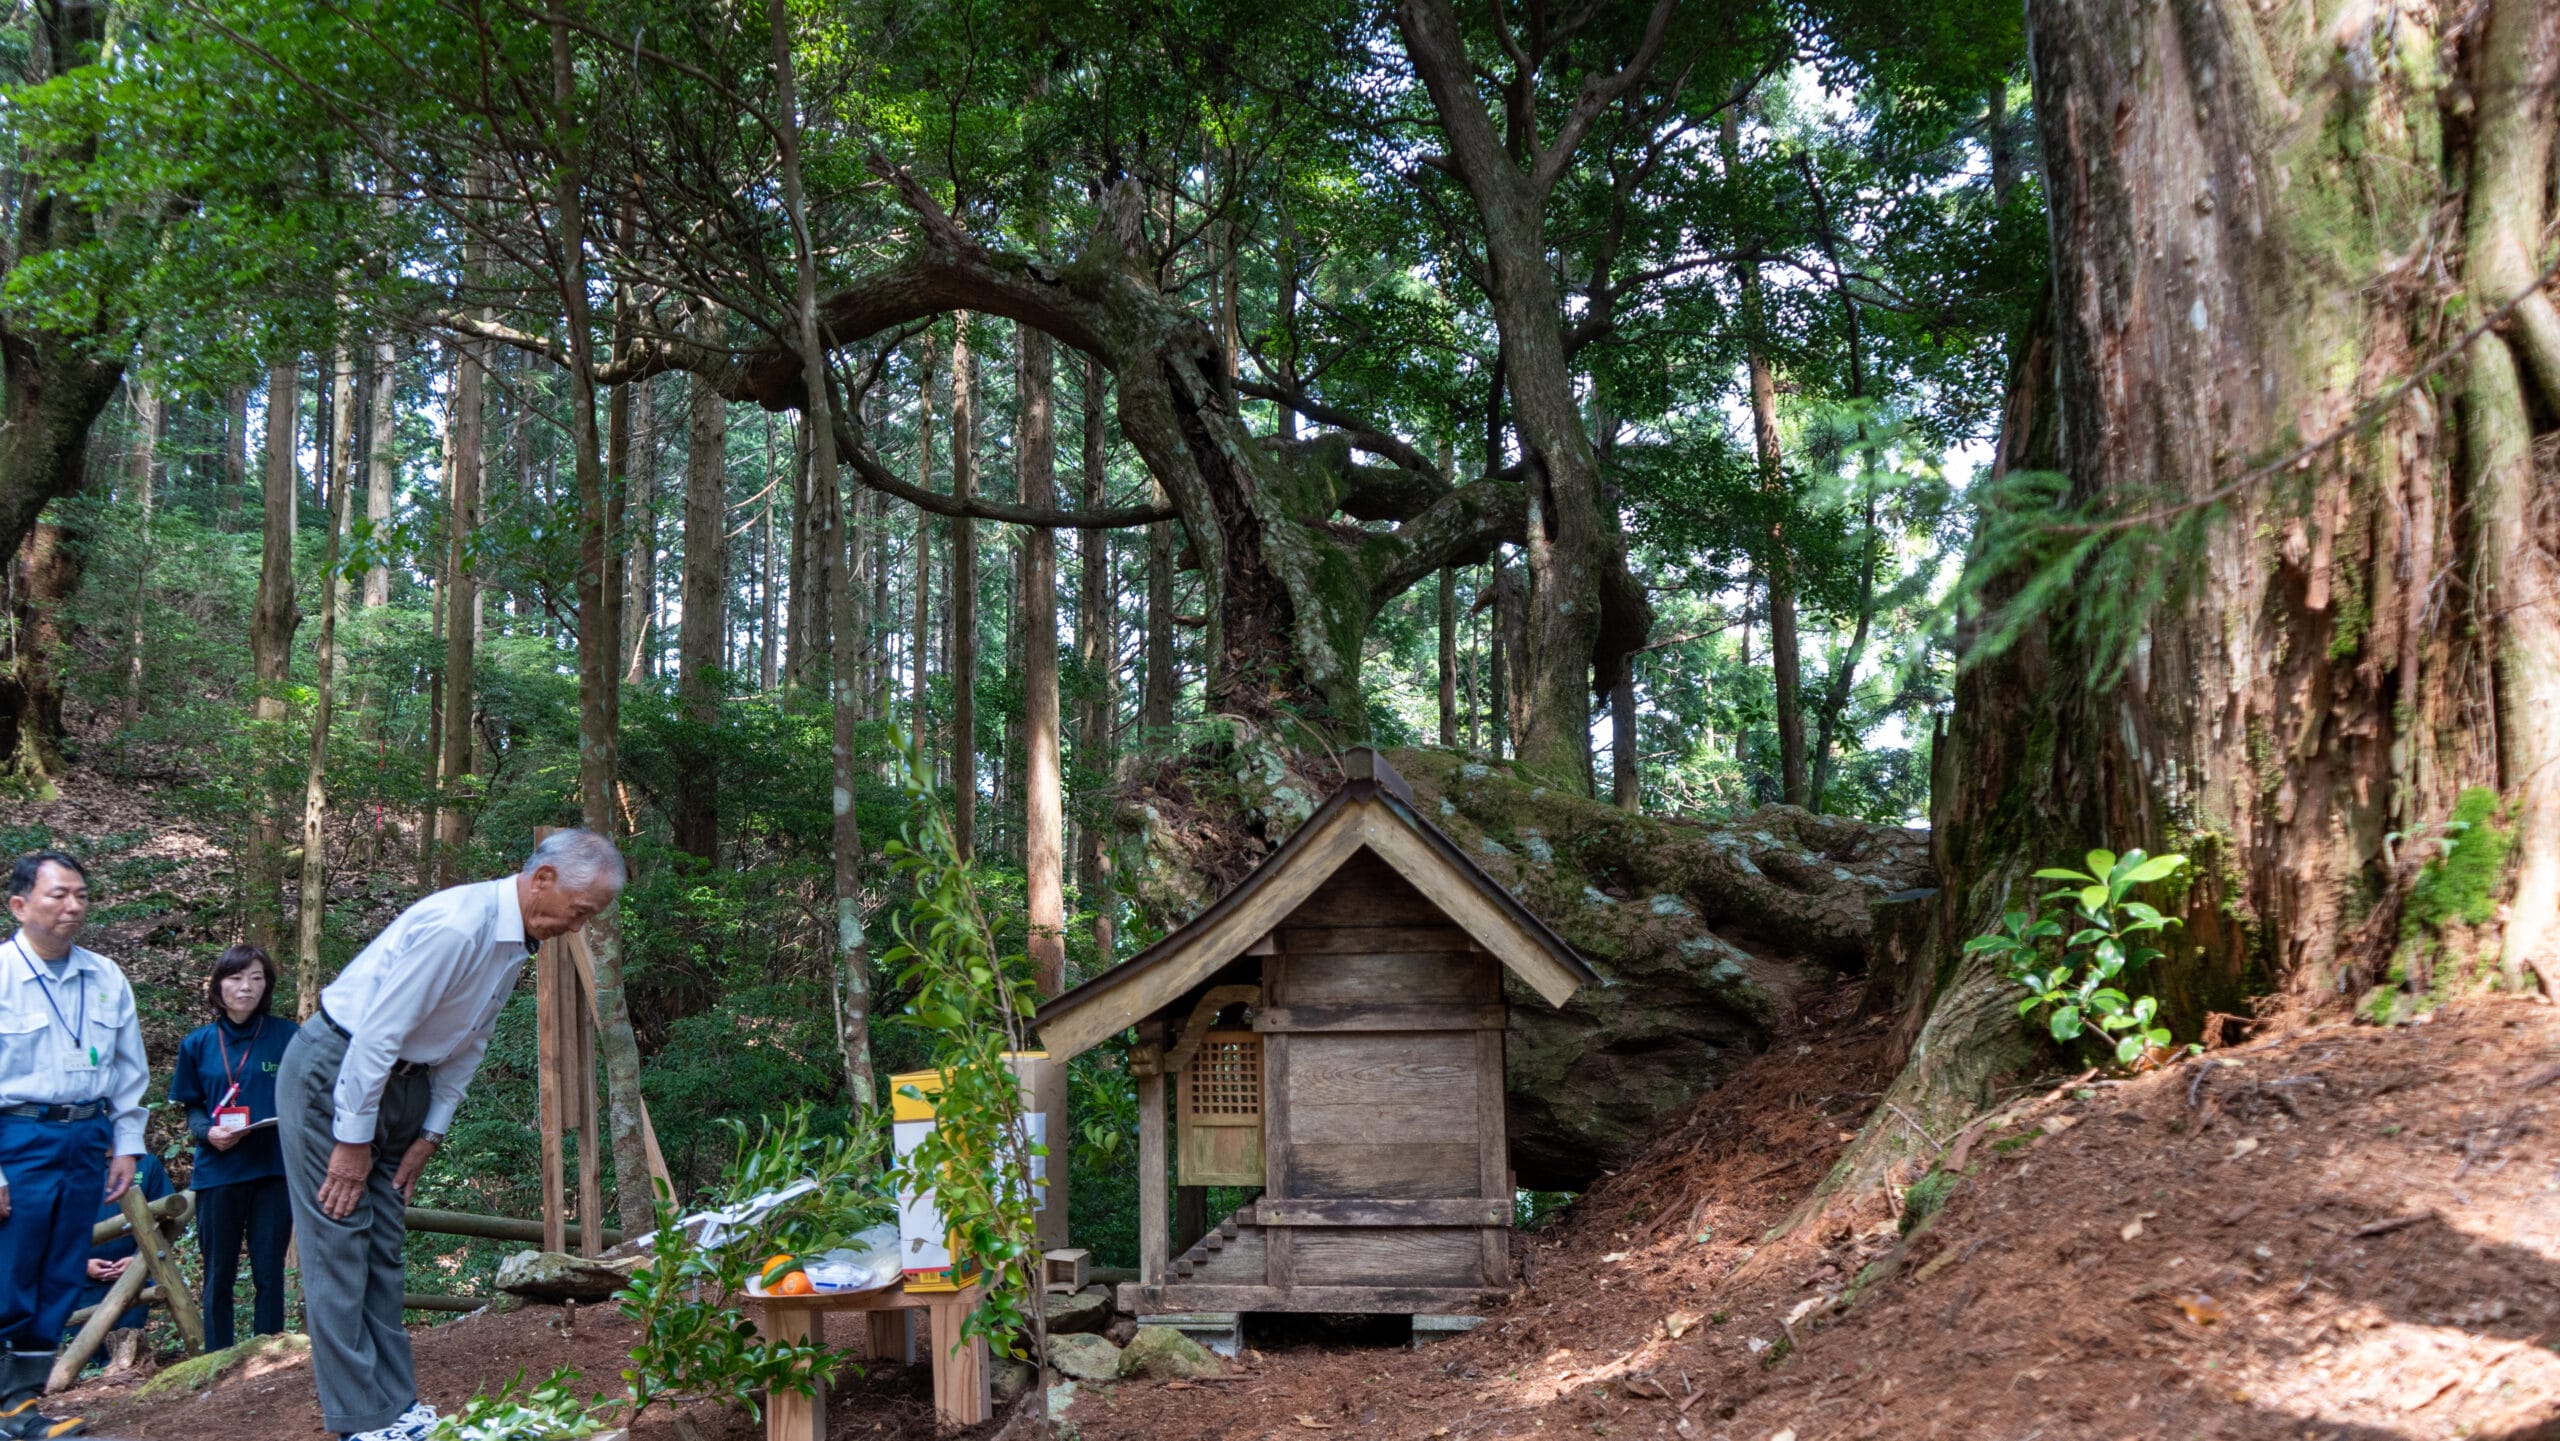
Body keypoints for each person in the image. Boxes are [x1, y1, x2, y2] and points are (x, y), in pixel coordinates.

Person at [279, 829, 624, 1441]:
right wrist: (352, 1142)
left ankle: (394, 1405)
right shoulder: (458, 925)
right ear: (543, 879)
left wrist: (430, 1133)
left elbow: (471, 1041)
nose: (576, 926)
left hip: (406, 1084)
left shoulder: (515, 942)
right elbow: (377, 1035)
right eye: (579, 911)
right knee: (339, 1239)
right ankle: (360, 1421)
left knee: (383, 1246)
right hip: (340, 1070)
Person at [0, 850, 148, 1441]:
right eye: (58, 894)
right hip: (17, 1135)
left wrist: (125, 1143)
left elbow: (129, 1070)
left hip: (87, 1134)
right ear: (19, 904)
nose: (73, 905)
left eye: (81, 895)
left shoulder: (106, 975)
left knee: (61, 1271)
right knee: (10, 1267)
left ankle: (20, 1406)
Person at [168, 945, 297, 1351]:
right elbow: (192, 1107)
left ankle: (268, 1357)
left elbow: (312, 1092)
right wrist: (207, 1133)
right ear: (218, 985)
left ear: (268, 986)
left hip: (273, 1168)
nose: (246, 987)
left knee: (269, 1271)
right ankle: (217, 1358)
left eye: (257, 978)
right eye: (237, 978)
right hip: (219, 1168)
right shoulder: (197, 1044)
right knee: (219, 1271)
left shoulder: (288, 1036)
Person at [63, 1151, 169, 1372]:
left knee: (125, 1362)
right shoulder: (67, 1161)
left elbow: (167, 1218)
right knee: (80, 1365)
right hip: (77, 1283)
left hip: (132, 1279)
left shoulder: (146, 1164)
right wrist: (81, 1263)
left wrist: (138, 1259)